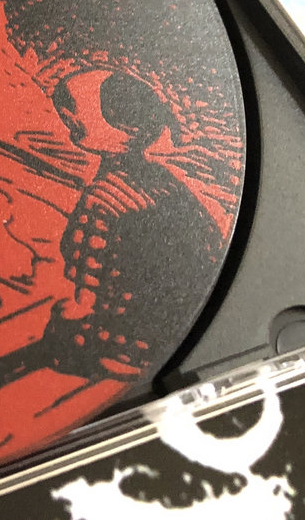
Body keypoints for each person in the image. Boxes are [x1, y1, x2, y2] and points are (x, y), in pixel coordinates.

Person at [45, 68, 224, 379]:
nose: (67, 117)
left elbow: (88, 282)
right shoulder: (166, 182)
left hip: (124, 340)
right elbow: (210, 244)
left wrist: (73, 315)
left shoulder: (102, 199)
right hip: (182, 324)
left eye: (73, 110)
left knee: (61, 332)